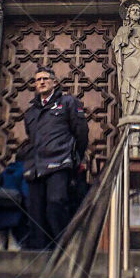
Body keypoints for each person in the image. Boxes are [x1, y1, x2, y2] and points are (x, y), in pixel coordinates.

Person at [22, 66, 88, 250]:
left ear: (54, 82)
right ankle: (40, 252)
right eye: (38, 80)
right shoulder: (30, 113)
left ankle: (65, 246)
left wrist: (76, 157)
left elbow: (81, 132)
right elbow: (31, 136)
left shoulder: (69, 102)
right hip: (35, 166)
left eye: (45, 78)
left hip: (60, 161)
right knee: (35, 210)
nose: (41, 82)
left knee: (56, 202)